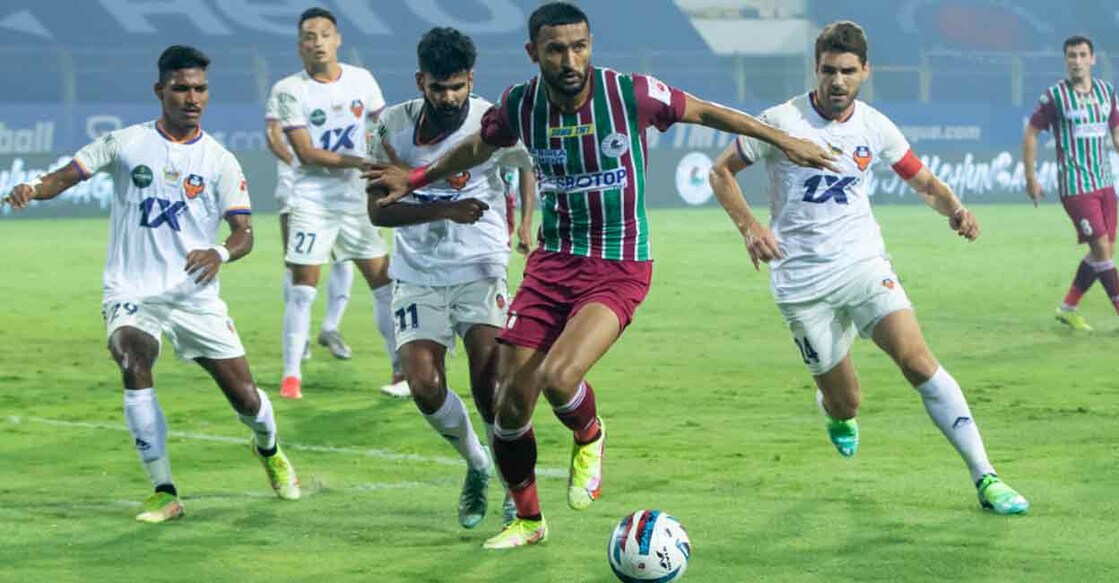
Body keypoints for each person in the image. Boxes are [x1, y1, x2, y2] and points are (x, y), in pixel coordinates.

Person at [365, 1, 836, 549]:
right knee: (509, 400)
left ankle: (589, 433)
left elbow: (707, 112)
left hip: (617, 263)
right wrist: (419, 175)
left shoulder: (629, 94)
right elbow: (478, 145)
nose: (571, 59)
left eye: (579, 46)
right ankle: (527, 520)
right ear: (533, 53)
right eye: (557, 49)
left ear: (591, 45)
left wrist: (785, 140)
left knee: (560, 378)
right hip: (551, 263)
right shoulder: (520, 104)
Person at [707, 21, 1028, 515]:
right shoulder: (780, 121)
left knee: (919, 362)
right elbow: (720, 170)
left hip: (862, 265)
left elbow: (922, 181)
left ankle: (986, 477)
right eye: (830, 71)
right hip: (801, 284)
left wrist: (956, 210)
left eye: (849, 72)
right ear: (816, 69)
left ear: (865, 72)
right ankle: (836, 413)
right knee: (847, 403)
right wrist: (750, 226)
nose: (838, 81)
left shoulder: (874, 127)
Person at [2, 45, 300, 523]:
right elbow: (68, 175)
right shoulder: (125, 142)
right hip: (132, 292)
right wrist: (33, 189)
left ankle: (269, 451)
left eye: (200, 88)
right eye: (181, 88)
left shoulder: (220, 161)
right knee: (131, 355)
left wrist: (219, 253)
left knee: (245, 398)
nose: (192, 97)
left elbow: (245, 233)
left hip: (194, 296)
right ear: (159, 90)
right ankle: (164, 490)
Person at [367, 27, 536, 529]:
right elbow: (378, 214)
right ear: (420, 81)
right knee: (422, 384)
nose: (448, 97)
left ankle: (513, 488)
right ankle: (477, 463)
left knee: (490, 388)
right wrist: (445, 208)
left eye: (457, 86)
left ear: (470, 80)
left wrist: (527, 221)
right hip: (417, 273)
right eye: (438, 87)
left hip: (481, 266)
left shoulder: (490, 122)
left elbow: (529, 165)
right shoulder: (388, 127)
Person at [274, 7, 406, 399]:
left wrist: (395, 165)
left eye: (325, 35)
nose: (318, 43)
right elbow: (305, 152)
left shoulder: (362, 81)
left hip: (356, 199)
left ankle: (401, 371)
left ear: (338, 40)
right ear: (300, 46)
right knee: (303, 287)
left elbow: (385, 129)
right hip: (311, 200)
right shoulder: (288, 90)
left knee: (382, 283)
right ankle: (291, 376)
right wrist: (361, 161)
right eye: (310, 37)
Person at [1022, 35, 1119, 331]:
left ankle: (1068, 307)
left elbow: (1115, 131)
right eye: (1071, 56)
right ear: (1065, 61)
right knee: (1102, 249)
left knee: (1104, 251)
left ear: (1092, 59)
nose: (1076, 61)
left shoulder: (1106, 91)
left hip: (1105, 184)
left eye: (1081, 55)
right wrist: (1031, 177)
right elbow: (1031, 133)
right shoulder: (1055, 97)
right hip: (1076, 187)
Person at [266, 85, 357, 361]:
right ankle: (300, 335)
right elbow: (273, 134)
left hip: (344, 182)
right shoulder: (287, 91)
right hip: (297, 184)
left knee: (346, 256)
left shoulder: (350, 90)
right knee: (296, 262)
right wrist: (298, 161)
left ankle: (331, 326)